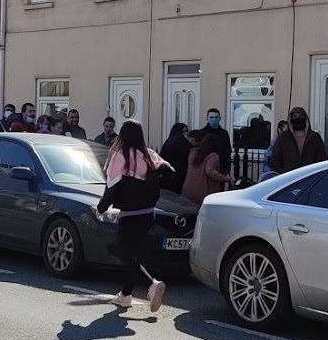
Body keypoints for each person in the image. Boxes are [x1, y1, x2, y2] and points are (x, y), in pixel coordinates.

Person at [96, 121, 171, 312]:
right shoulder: (148, 154)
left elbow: (111, 187)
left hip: (129, 215)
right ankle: (126, 295)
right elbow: (169, 170)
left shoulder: (120, 156)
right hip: (148, 214)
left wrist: (101, 207)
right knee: (133, 255)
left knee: (125, 254)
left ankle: (152, 283)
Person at [270, 107, 328, 174]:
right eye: (295, 116)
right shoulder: (283, 138)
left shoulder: (314, 137)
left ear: (305, 118)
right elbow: (274, 160)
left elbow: (322, 159)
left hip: (310, 178)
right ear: (290, 119)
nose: (298, 118)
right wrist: (284, 174)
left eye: (300, 116)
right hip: (289, 179)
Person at [183, 129, 232, 204]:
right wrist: (226, 178)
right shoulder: (213, 156)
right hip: (204, 191)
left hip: (188, 188)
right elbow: (210, 171)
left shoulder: (193, 153)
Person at [158, 123, 189, 191]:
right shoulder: (185, 142)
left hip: (168, 174)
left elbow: (162, 157)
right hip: (181, 175)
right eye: (185, 131)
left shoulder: (168, 141)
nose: (186, 133)